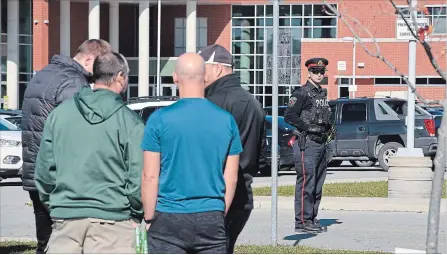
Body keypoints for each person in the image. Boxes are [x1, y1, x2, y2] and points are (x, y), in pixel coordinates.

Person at [34, 52, 144, 253]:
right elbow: (137, 176)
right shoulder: (130, 122)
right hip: (114, 221)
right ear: (120, 76)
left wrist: (57, 205)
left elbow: (44, 172)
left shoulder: (59, 115)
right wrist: (136, 212)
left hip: (66, 220)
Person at [141, 52, 242, 254]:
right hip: (211, 214)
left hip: (169, 216)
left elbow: (150, 176)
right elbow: (230, 178)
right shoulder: (226, 121)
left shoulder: (158, 120)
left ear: (175, 77)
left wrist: (149, 217)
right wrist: (219, 213)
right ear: (205, 77)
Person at [21, 39, 113, 253]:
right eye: (98, 65)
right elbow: (77, 129)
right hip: (59, 173)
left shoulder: (43, 74)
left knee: (45, 240)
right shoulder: (74, 81)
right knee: (68, 241)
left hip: (35, 168)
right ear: (89, 58)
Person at [198, 44, 265, 253]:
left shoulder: (211, 103)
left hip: (215, 197)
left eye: (202, 69)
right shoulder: (252, 102)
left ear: (217, 68)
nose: (199, 76)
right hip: (243, 198)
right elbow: (261, 158)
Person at [284, 57, 333, 233]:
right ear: (309, 72)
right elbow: (289, 115)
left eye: (321, 72)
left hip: (321, 143)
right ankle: (302, 222)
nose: (319, 74)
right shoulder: (301, 93)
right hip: (307, 143)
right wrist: (307, 126)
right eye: (315, 71)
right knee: (307, 184)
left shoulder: (321, 93)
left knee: (318, 185)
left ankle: (311, 218)